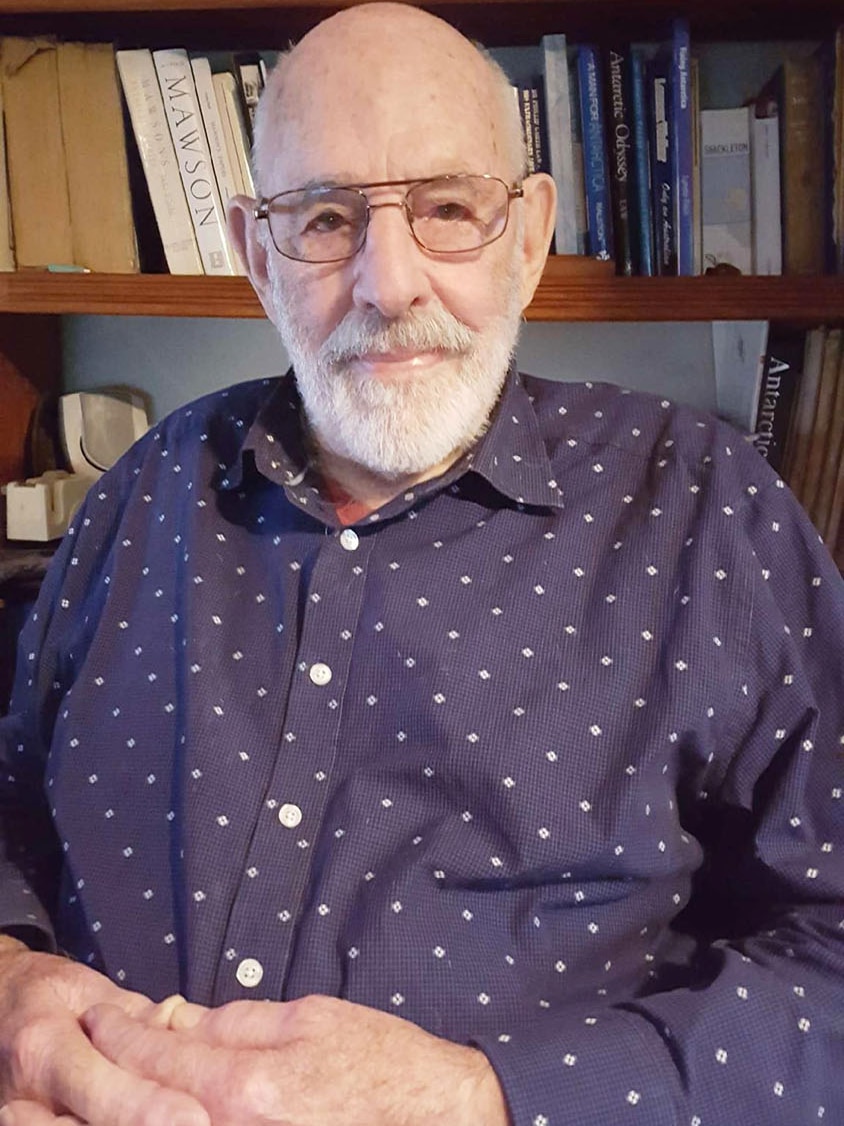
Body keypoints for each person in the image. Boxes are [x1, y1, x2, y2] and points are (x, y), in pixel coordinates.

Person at [1, 3, 842, 1123]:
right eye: (326, 218)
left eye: (447, 209)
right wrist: (10, 977)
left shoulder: (703, 507)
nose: (387, 283)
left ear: (530, 235)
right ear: (258, 255)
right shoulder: (142, 494)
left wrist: (482, 1095)